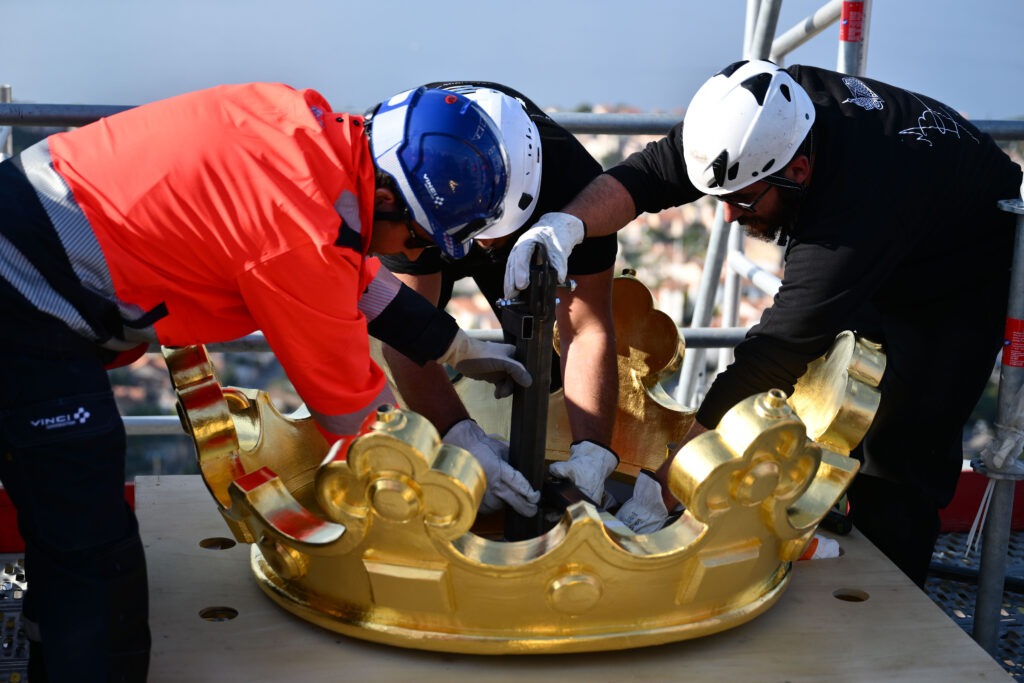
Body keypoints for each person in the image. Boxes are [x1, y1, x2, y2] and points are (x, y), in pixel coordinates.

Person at [0, 83, 533, 680]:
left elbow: (347, 268)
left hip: (27, 238)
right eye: (419, 237)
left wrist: (455, 347)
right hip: (24, 291)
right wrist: (454, 471)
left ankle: (46, 656)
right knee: (91, 545)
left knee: (58, 519)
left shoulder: (311, 139)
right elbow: (355, 415)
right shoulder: (297, 235)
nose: (415, 254)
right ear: (386, 197)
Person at [504, 60, 1023, 587]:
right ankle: (827, 533)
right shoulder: (754, 118)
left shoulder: (854, 210)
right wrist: (567, 225)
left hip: (960, 272)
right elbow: (648, 175)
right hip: (898, 224)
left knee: (899, 455)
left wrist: (669, 483)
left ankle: (888, 600)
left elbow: (773, 354)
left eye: (742, 199)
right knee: (833, 415)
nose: (729, 216)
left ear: (798, 171)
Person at [375, 82, 621, 514]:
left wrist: (593, 455)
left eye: (494, 231)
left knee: (548, 370)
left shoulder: (576, 186)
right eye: (476, 232)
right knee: (402, 324)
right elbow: (401, 334)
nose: (484, 246)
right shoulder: (409, 178)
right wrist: (461, 438)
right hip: (432, 214)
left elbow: (586, 328)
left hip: (533, 221)